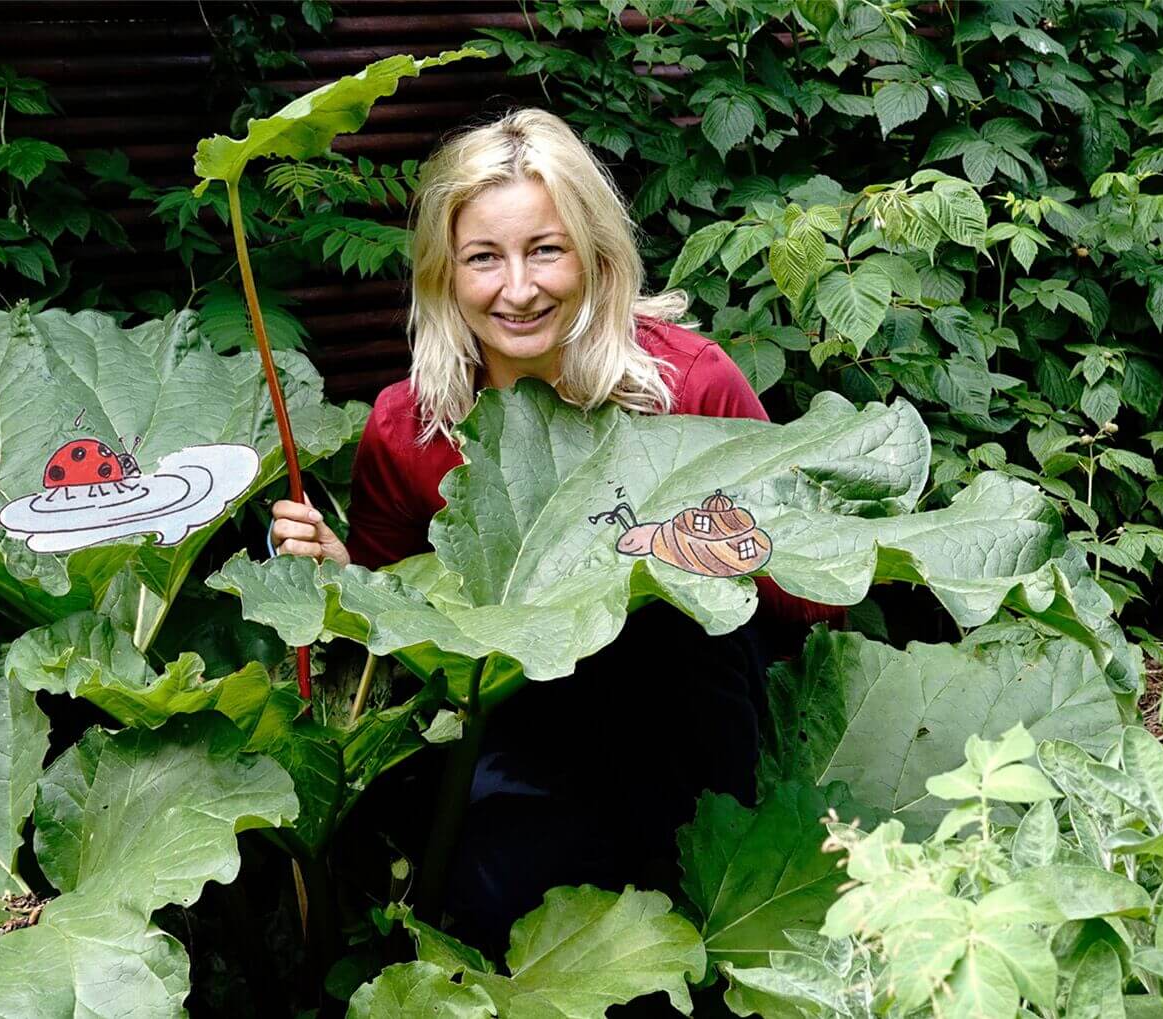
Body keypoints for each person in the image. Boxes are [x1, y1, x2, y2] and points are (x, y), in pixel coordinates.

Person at [269, 108, 843, 956]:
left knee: (684, 936)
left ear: (596, 257)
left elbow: (809, 598)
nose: (519, 288)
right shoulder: (407, 429)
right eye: (483, 258)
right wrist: (344, 572)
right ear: (443, 274)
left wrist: (716, 545)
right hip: (518, 731)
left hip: (683, 714)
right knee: (503, 927)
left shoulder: (691, 387)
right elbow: (400, 625)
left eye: (546, 249)